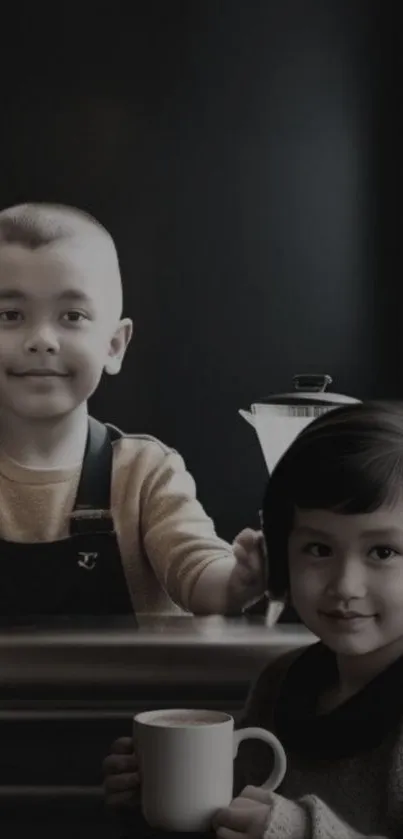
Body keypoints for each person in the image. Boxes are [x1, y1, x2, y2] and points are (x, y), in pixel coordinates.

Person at [103, 401, 403, 837]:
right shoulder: (281, 683)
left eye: (383, 552)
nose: (345, 585)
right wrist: (152, 796)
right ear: (279, 559)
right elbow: (226, 811)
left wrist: (303, 831)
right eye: (318, 549)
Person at [0, 202, 264, 619]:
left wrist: (240, 580)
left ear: (114, 345)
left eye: (72, 316)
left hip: (126, 688)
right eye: (10, 315)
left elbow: (198, 575)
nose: (41, 340)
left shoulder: (145, 473)